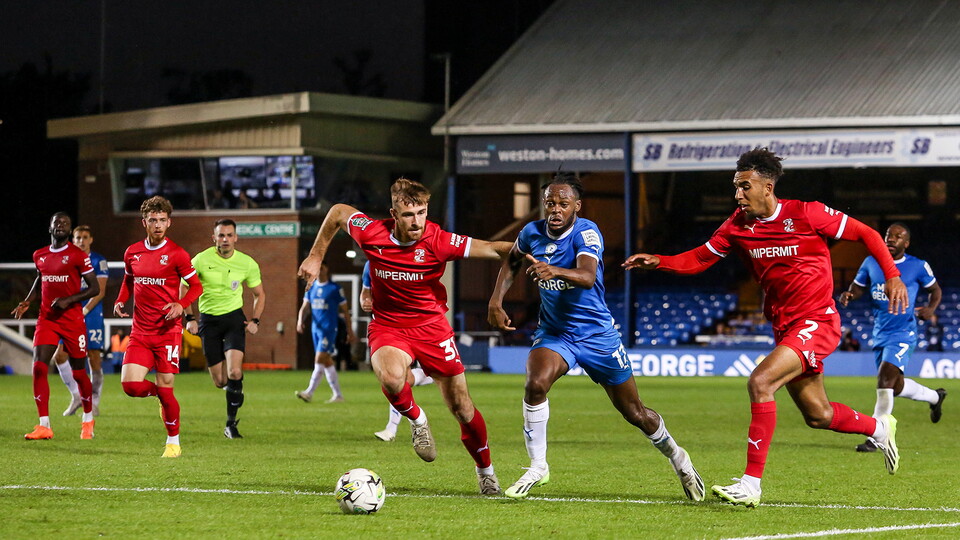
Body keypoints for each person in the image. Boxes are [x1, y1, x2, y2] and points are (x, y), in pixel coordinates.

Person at [623, 148, 909, 507]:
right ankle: (879, 428)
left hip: (817, 321)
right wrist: (659, 261)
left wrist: (893, 276)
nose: (738, 195)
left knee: (760, 382)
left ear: (767, 187)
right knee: (817, 414)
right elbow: (699, 258)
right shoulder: (736, 227)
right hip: (785, 326)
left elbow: (867, 234)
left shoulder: (807, 213)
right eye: (736, 187)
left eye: (745, 187)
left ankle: (750, 484)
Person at [487, 172, 704, 501]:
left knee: (635, 413)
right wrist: (495, 301)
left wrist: (555, 270)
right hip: (556, 333)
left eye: (563, 203)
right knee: (535, 383)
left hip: (597, 336)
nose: (555, 209)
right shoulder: (531, 233)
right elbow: (512, 263)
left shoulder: (586, 231)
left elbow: (587, 277)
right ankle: (538, 466)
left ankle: (678, 458)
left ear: (577, 206)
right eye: (549, 204)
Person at [298, 177, 512, 495]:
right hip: (389, 326)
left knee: (463, 408)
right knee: (391, 377)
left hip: (433, 329)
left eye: (422, 213)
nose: (416, 221)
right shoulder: (372, 232)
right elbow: (339, 212)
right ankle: (417, 419)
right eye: (408, 214)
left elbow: (497, 249)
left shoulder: (440, 241)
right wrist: (316, 255)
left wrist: (533, 255)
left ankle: (486, 472)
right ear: (393, 214)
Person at [839, 222, 947, 452]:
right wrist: (850, 294)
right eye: (888, 235)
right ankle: (935, 398)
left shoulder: (917, 266)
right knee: (894, 387)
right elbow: (859, 287)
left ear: (906, 243)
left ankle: (877, 437)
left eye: (897, 236)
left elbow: (935, 290)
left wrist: (930, 309)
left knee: (884, 381)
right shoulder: (871, 262)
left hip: (903, 332)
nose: (891, 239)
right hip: (880, 332)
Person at [114, 196, 203, 458]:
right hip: (141, 332)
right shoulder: (132, 252)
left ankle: (173, 442)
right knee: (130, 386)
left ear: (169, 222)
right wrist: (121, 300)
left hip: (168, 333)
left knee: (168, 388)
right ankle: (159, 395)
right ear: (144, 222)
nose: (158, 225)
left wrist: (181, 304)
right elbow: (128, 280)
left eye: (162, 220)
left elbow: (196, 286)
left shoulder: (177, 254)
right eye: (153, 220)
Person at [12, 212, 100, 440]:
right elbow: (41, 277)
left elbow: (94, 289)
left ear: (69, 230)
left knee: (80, 373)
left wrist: (68, 300)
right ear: (50, 227)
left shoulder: (78, 255)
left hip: (72, 320)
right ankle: (44, 425)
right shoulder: (39, 255)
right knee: (39, 367)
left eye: (65, 223)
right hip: (47, 320)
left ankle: (88, 420)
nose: (60, 225)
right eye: (56, 222)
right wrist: (28, 301)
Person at [182, 218, 266, 439]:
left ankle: (231, 423)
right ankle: (234, 391)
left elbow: (259, 294)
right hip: (208, 322)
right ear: (214, 238)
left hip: (233, 321)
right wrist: (189, 317)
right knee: (220, 381)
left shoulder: (247, 263)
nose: (225, 239)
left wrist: (255, 320)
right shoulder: (200, 260)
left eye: (229, 235)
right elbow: (183, 286)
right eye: (221, 235)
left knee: (234, 371)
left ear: (236, 238)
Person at [355, 261, 436, 442]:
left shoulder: (411, 260)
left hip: (411, 327)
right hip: (386, 331)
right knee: (398, 379)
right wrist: (365, 302)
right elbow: (364, 293)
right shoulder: (370, 264)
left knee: (399, 380)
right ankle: (430, 375)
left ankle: (392, 428)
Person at [54, 225, 109, 417]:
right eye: (77, 237)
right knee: (60, 355)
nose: (81, 241)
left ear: (91, 239)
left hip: (91, 314)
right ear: (73, 239)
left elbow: (100, 291)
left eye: (85, 237)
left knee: (92, 357)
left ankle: (94, 401)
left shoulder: (98, 260)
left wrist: (84, 310)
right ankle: (77, 396)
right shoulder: (66, 259)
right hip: (70, 314)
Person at [295, 262, 355, 403]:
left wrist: (349, 330)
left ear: (327, 270)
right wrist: (299, 321)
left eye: (322, 268)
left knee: (319, 359)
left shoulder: (334, 288)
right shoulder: (311, 287)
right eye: (318, 268)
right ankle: (338, 395)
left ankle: (309, 392)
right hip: (316, 329)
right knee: (327, 362)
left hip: (329, 329)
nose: (320, 271)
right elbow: (305, 307)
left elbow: (345, 311)